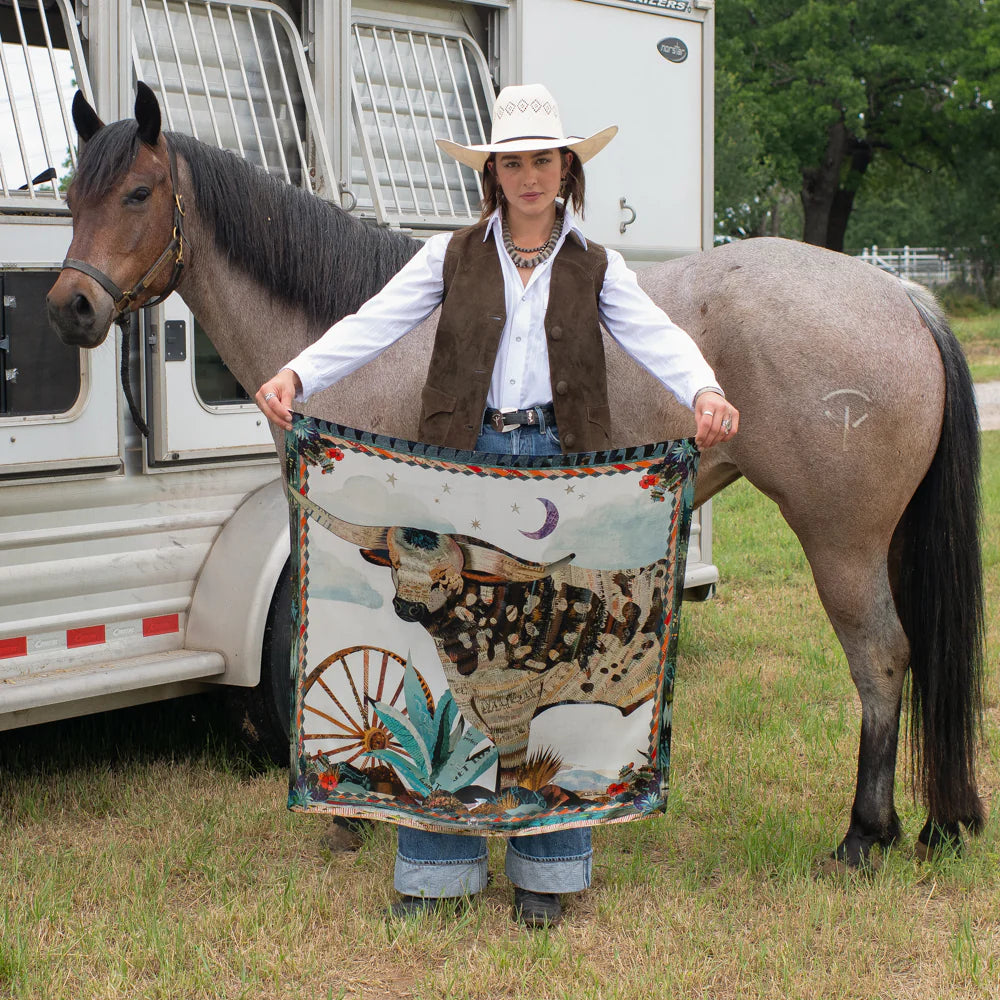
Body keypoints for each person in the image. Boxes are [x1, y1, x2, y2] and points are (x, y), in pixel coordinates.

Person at [256, 83, 739, 928]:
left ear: (566, 170)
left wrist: (704, 388)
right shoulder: (448, 258)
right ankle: (438, 873)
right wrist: (299, 374)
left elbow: (654, 335)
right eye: (511, 162)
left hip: (559, 470)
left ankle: (548, 876)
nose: (527, 176)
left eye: (542, 160)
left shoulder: (595, 264)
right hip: (462, 469)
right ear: (492, 173)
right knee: (448, 672)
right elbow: (376, 322)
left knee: (550, 652)